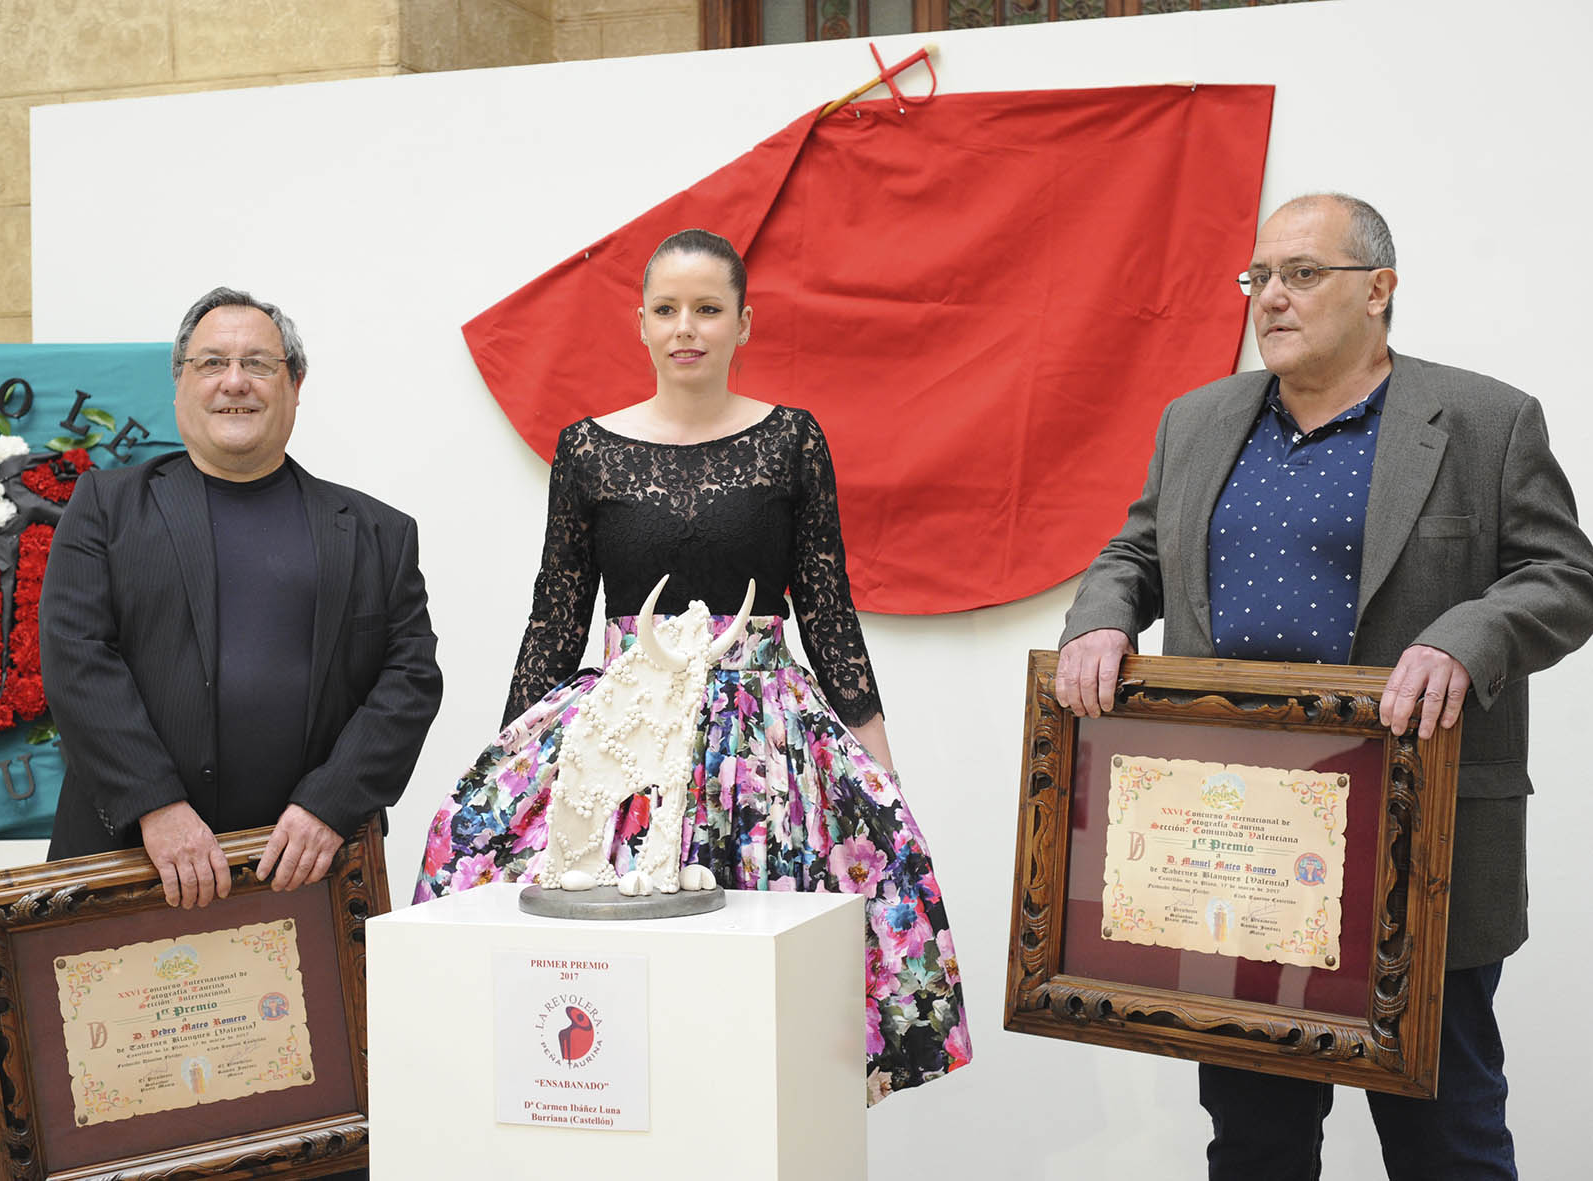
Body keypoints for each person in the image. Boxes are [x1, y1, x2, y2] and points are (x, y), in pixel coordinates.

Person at [1055, 194, 1593, 1179]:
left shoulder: (1485, 420)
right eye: (1258, 275)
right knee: (1254, 1143)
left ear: (1378, 290)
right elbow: (1134, 550)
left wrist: (1465, 638)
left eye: (1301, 273)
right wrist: (1100, 615)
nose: (1270, 296)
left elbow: (1563, 576)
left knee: (1446, 1144)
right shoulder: (1195, 420)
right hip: (1234, 847)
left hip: (1415, 844)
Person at [416, 229, 969, 1103]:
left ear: (743, 323)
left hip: (767, 749)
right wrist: (514, 762)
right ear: (639, 323)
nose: (686, 327)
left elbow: (828, 611)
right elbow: (556, 618)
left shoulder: (793, 440)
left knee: (761, 1010)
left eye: (708, 309)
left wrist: (878, 763)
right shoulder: (587, 448)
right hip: (626, 733)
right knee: (628, 999)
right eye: (667, 309)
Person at [42, 287, 443, 910]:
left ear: (295, 385)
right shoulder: (105, 509)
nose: (235, 382)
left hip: (310, 869)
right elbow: (77, 660)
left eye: (258, 363)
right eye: (211, 363)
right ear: (180, 385)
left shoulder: (377, 533)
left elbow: (410, 679)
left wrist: (329, 806)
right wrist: (156, 806)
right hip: (133, 861)